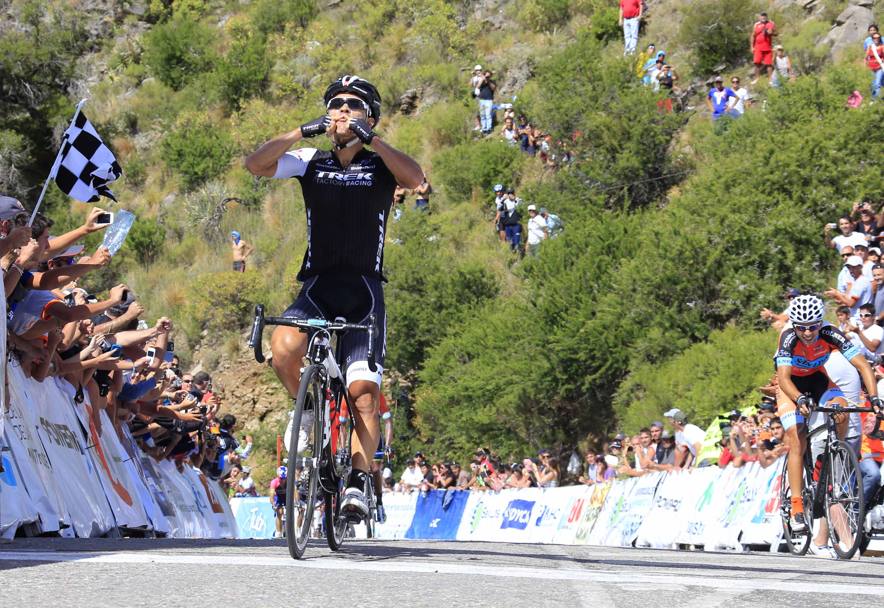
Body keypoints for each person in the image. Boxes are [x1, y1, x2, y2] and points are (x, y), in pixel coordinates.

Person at [245, 75, 424, 520]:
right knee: (284, 345)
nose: (342, 110)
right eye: (335, 104)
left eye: (353, 105)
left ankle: (360, 481)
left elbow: (416, 178)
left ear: (370, 117)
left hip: (364, 289)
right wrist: (300, 131)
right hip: (319, 285)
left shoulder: (382, 164)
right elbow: (256, 165)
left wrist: (374, 140)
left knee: (364, 393)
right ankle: (309, 411)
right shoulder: (310, 160)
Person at [772, 294, 882, 532]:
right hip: (790, 386)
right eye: (802, 327)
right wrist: (799, 398)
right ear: (795, 324)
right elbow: (783, 378)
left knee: (841, 409)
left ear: (820, 323)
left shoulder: (831, 333)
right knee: (797, 435)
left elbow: (863, 365)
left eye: (813, 327)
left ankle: (833, 455)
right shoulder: (788, 337)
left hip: (818, 380)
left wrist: (874, 399)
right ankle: (797, 507)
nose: (808, 333)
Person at [750, 12, 777, 84]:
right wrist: (752, 46)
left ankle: (770, 79)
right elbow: (753, 36)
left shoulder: (771, 23)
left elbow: (776, 33)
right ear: (760, 17)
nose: (763, 17)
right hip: (758, 47)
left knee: (769, 64)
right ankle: (756, 78)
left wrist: (771, 33)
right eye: (762, 16)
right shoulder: (756, 24)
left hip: (767, 47)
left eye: (765, 16)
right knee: (757, 63)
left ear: (767, 17)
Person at [476, 70, 496, 135]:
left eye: (488, 76)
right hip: (481, 100)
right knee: (482, 115)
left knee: (488, 115)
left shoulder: (492, 82)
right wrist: (483, 79)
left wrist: (488, 81)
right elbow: (478, 87)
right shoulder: (482, 81)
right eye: (486, 75)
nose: (487, 77)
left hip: (489, 100)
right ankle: (484, 128)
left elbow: (493, 88)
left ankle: (489, 128)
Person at [270, 465, 287, 538]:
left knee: (289, 513)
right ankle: (278, 532)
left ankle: (288, 531)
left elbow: (294, 492)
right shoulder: (274, 482)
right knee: (279, 513)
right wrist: (273, 504)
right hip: (278, 497)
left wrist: (296, 501)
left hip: (287, 497)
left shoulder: (289, 481)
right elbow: (271, 495)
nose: (282, 480)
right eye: (281, 478)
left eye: (284, 478)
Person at [865, 32, 884, 99]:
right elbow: (866, 56)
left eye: (878, 38)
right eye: (874, 38)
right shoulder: (870, 46)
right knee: (873, 84)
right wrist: (866, 62)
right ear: (872, 39)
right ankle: (873, 98)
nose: (876, 39)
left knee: (877, 83)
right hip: (871, 68)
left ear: (880, 38)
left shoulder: (882, 47)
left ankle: (876, 100)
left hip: (879, 68)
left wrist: (882, 60)